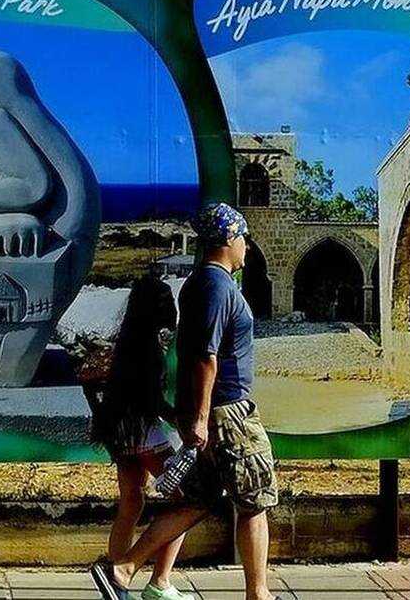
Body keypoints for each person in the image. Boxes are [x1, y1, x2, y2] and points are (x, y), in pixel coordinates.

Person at [90, 202, 278, 600]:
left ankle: (123, 570)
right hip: (230, 413)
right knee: (255, 500)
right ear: (229, 238)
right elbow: (206, 357)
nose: (246, 246)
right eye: (243, 237)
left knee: (197, 500)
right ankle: (258, 593)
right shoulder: (217, 286)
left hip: (215, 411)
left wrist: (192, 414)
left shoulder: (200, 284)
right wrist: (200, 417)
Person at [85, 272, 192, 600]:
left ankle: (116, 581)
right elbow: (152, 402)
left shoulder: (124, 344)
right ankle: (160, 581)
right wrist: (180, 420)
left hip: (120, 434)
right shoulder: (150, 349)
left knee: (131, 503)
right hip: (145, 435)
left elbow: (95, 385)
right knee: (186, 501)